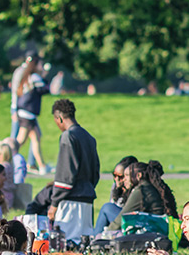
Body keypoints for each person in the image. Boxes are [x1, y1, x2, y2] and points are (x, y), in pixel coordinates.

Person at [48, 99, 100, 243]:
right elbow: (96, 173)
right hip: (87, 197)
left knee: (68, 243)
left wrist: (54, 203)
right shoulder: (89, 137)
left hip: (71, 199)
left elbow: (65, 175)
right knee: (84, 244)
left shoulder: (67, 136)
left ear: (59, 118)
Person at [108, 160, 179, 231]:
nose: (124, 179)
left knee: (107, 208)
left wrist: (103, 235)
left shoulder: (142, 190)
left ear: (139, 175)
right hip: (157, 228)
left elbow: (121, 219)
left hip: (152, 231)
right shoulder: (149, 186)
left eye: (126, 175)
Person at [15, 53, 51, 174]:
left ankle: (42, 166)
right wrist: (45, 75)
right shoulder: (34, 77)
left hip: (26, 112)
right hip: (28, 113)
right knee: (20, 140)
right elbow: (45, 89)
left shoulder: (26, 75)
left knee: (36, 138)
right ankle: (5, 156)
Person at [93, 155, 138, 234]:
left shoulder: (136, 190)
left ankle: (95, 239)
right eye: (114, 175)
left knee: (106, 208)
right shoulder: (115, 188)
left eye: (120, 177)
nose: (116, 179)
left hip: (133, 223)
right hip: (119, 223)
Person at [0, 140, 16, 206]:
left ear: (1, 155)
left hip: (2, 197)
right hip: (9, 196)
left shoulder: (2, 168)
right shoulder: (9, 165)